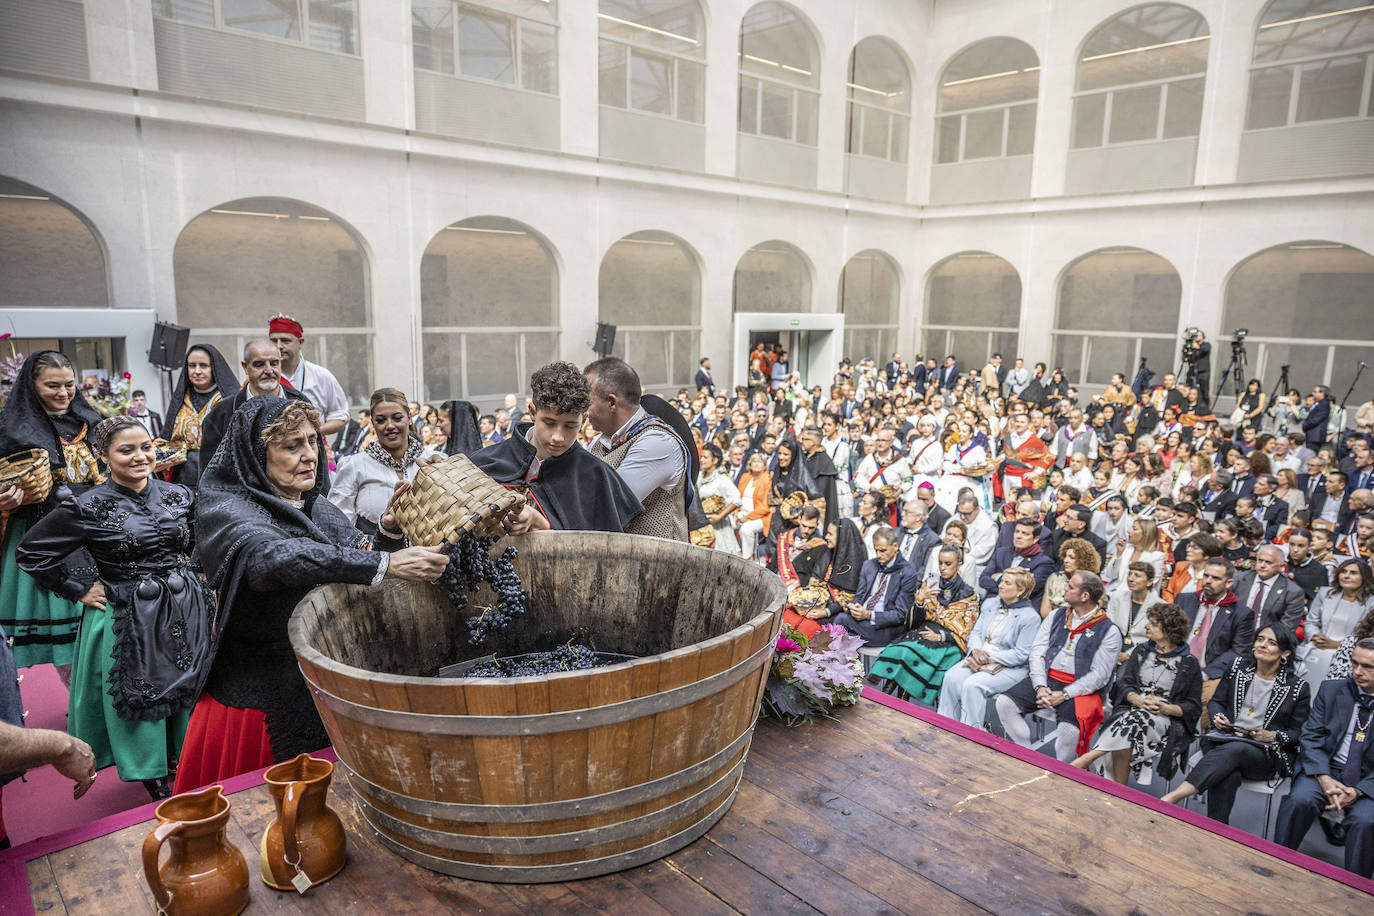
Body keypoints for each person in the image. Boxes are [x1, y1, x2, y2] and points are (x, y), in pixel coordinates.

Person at [175, 397, 451, 791]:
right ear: (257, 454)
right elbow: (270, 558)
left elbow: (355, 558)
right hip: (258, 699)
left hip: (318, 683)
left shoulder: (315, 506)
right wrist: (386, 565)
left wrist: (388, 533)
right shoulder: (230, 508)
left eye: (312, 442)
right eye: (292, 446)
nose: (310, 456)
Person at [18, 416, 212, 799]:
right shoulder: (85, 506)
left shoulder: (181, 495)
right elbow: (32, 552)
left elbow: (203, 540)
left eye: (146, 447)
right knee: (145, 688)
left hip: (184, 606)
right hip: (129, 612)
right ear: (103, 455)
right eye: (126, 450)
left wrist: (199, 577)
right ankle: (152, 772)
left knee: (193, 679)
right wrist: (77, 589)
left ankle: (187, 756)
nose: (140, 457)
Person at [0, 351, 105, 678]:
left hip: (95, 531)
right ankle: (78, 705)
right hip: (42, 538)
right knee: (69, 641)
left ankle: (92, 707)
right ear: (32, 386)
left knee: (101, 628)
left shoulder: (91, 422)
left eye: (69, 384)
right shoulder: (10, 430)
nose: (63, 392)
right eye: (52, 385)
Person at [469, 362, 644, 534]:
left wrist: (542, 524)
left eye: (570, 426)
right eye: (549, 423)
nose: (558, 437)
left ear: (583, 419)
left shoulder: (597, 476)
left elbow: (601, 553)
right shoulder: (482, 463)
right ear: (532, 412)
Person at [1162, 626, 1311, 824]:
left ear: (1285, 653)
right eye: (1260, 639)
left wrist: (1272, 736)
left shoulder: (1297, 688)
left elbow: (1298, 733)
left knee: (1237, 750)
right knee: (1228, 774)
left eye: (1271, 643)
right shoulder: (1237, 667)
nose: (1262, 645)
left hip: (1266, 754)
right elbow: (1217, 702)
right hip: (1223, 739)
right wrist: (1218, 717)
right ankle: (1217, 831)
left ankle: (1173, 797)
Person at [995, 571, 1122, 761]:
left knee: (1069, 732)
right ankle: (1027, 757)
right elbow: (1037, 652)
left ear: (1085, 596)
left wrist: (1064, 695)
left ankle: (1061, 772)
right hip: (1048, 679)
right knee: (1004, 704)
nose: (1065, 588)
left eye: (1070, 587)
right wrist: (1040, 686)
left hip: (1081, 689)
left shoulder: (1109, 630)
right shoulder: (1057, 615)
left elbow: (1100, 676)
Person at [1274, 638, 1374, 878]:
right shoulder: (1333, 690)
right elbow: (1311, 737)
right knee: (1299, 800)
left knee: (1365, 822)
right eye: (1354, 663)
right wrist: (1324, 777)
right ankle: (1275, 861)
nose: (1357, 672)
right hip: (1326, 768)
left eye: (1368, 667)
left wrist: (1358, 791)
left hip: (1367, 779)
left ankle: (1357, 889)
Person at [1071, 602, 1202, 785]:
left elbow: (1193, 706)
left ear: (1170, 630)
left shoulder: (1189, 663)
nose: (1147, 626)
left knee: (1134, 720)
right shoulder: (1141, 651)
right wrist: (1136, 699)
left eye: (1154, 624)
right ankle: (1119, 788)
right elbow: (1124, 683)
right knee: (1134, 721)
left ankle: (1091, 757)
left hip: (1165, 721)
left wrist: (1166, 708)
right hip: (1134, 710)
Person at [585, 357, 689, 541]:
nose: (584, 412)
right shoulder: (599, 442)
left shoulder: (657, 442)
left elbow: (606, 509)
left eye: (588, 403)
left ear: (611, 402)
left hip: (661, 566)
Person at [869, 545, 980, 705]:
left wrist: (941, 636)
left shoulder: (968, 593)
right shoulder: (931, 583)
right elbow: (912, 622)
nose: (942, 567)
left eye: (948, 563)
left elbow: (967, 630)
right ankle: (887, 702)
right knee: (902, 650)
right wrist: (919, 600)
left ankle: (894, 703)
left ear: (959, 564)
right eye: (940, 563)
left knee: (911, 654)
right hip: (922, 632)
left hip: (949, 641)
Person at [328, 388, 443, 536]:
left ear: (409, 417)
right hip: (375, 556)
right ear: (373, 424)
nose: (389, 426)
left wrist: (442, 475)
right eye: (381, 420)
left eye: (397, 418)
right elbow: (338, 528)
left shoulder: (435, 461)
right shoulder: (354, 466)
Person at [937, 568, 1041, 727]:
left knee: (972, 685)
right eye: (1001, 581)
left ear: (1020, 590)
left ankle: (971, 732)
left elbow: (1021, 655)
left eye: (1007, 583)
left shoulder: (1031, 617)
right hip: (979, 656)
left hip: (1010, 667)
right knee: (951, 677)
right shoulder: (990, 603)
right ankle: (945, 725)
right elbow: (976, 632)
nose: (1001, 585)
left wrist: (987, 658)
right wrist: (976, 650)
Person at [199, 340, 312, 476]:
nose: (269, 370)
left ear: (280, 364)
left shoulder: (299, 403)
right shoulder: (222, 413)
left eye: (274, 363)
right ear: (245, 367)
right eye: (259, 364)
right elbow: (209, 473)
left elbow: (317, 455)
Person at [158, 345, 241, 487]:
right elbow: (167, 439)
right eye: (192, 365)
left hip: (219, 478)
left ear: (214, 368)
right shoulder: (180, 399)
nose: (197, 371)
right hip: (182, 480)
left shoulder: (230, 399)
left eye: (203, 365)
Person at [830, 526, 918, 647]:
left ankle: (836, 658)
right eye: (876, 550)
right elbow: (860, 596)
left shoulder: (907, 573)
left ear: (895, 546)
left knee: (841, 623)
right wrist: (854, 606)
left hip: (885, 626)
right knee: (840, 628)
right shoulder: (869, 565)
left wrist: (869, 615)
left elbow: (900, 614)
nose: (878, 555)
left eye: (883, 550)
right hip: (862, 620)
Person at [268, 313, 350, 437]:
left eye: (285, 340)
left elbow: (340, 416)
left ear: (300, 342)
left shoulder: (321, 376)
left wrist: (311, 433)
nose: (279, 346)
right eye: (274, 341)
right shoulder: (263, 377)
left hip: (313, 448)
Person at [1298, 559, 1374, 691]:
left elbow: (1368, 635)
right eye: (1343, 571)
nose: (1346, 576)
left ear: (1364, 577)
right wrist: (1315, 636)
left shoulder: (1371, 602)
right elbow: (1311, 621)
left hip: (1347, 657)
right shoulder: (1325, 593)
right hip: (1315, 649)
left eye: (1353, 573)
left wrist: (1339, 644)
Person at [1231, 544, 1306, 635]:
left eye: (1268, 562)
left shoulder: (1292, 592)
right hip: (1232, 633)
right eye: (1260, 560)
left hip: (1266, 641)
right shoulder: (1238, 579)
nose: (1262, 565)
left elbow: (1286, 627)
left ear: (1281, 567)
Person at [979, 518, 1052, 607]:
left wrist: (998, 577)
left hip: (1019, 609)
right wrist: (1014, 584)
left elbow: (1027, 591)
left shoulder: (1043, 562)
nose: (1018, 536)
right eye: (1017, 532)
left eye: (1025, 534)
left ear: (1035, 539)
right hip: (991, 604)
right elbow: (983, 579)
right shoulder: (1001, 553)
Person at [1105, 561, 1164, 655]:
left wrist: (1128, 655)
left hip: (1141, 652)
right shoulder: (1117, 597)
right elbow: (1107, 626)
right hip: (1113, 646)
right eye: (1129, 574)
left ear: (1149, 582)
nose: (1130, 579)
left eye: (1137, 575)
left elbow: (1156, 639)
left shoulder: (1160, 606)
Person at [696, 443, 741, 554]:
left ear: (715, 460)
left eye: (705, 457)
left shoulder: (721, 479)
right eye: (701, 457)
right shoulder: (699, 476)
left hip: (719, 527)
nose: (702, 460)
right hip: (703, 525)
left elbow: (737, 500)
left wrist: (719, 516)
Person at [1302, 385, 1331, 453]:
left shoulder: (1324, 404)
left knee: (1312, 454)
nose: (1313, 393)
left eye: (1315, 392)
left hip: (1316, 436)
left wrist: (1304, 425)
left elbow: (1316, 420)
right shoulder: (1319, 403)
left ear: (1322, 393)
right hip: (1312, 435)